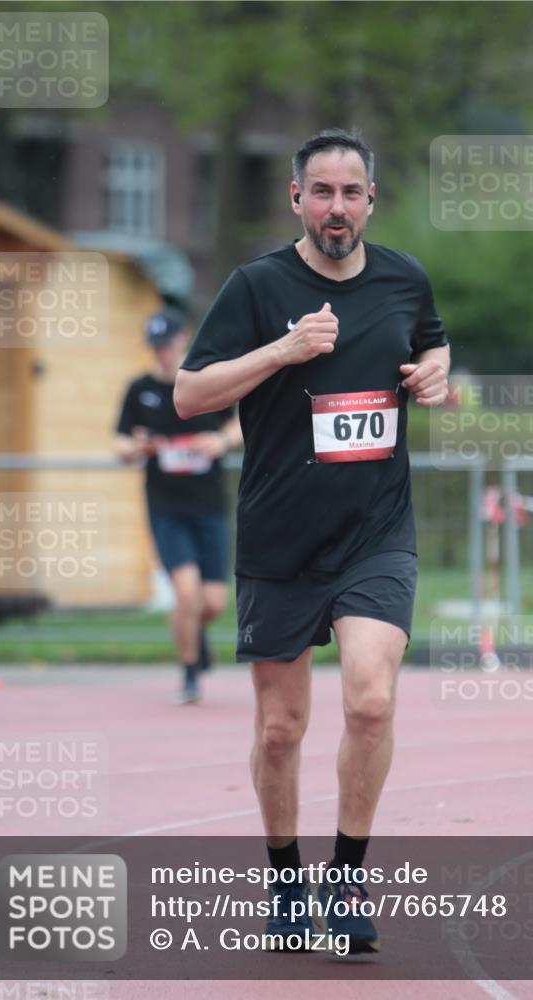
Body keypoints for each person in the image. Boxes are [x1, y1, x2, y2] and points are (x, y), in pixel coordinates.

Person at [174, 128, 450, 951]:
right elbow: (190, 395)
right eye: (321, 192)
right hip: (280, 536)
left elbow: (429, 342)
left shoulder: (404, 278)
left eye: (352, 192)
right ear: (296, 198)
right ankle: (287, 882)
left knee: (370, 698)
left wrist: (439, 371)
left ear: (370, 201)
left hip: (375, 531)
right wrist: (285, 349)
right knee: (279, 729)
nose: (337, 207)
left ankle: (348, 877)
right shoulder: (256, 285)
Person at [115, 305, 242, 704]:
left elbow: (241, 423)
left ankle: (195, 635)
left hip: (209, 505)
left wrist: (220, 441)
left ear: (182, 338)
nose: (161, 353)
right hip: (165, 505)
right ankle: (190, 674)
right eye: (154, 347)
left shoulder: (207, 381)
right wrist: (137, 447)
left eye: (166, 344)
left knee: (213, 602)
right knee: (186, 594)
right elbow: (121, 442)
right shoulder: (140, 389)